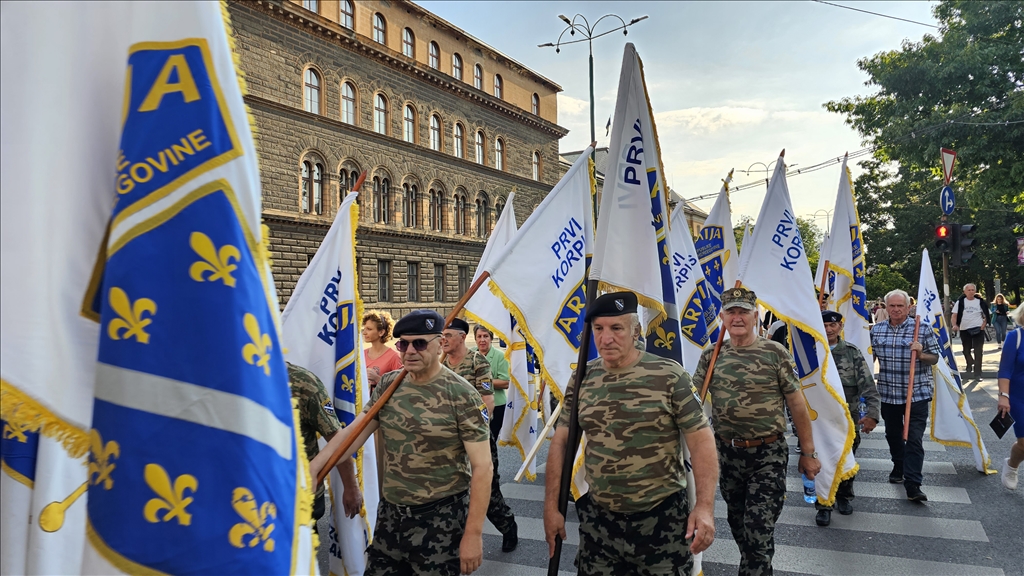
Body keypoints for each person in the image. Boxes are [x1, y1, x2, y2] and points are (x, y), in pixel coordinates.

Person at [543, 292, 719, 575]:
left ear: (636, 331)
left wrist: (705, 507)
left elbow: (700, 442)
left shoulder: (668, 375)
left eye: (616, 328)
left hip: (660, 521)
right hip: (600, 523)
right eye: (598, 329)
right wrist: (552, 507)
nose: (606, 338)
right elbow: (562, 442)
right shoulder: (582, 378)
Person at [310, 310, 493, 575]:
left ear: (440, 343)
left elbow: (483, 468)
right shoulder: (389, 385)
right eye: (402, 344)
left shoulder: (462, 394)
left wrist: (473, 534)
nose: (409, 351)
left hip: (440, 521)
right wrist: (314, 468)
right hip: (391, 517)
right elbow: (352, 433)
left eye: (419, 343)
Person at [692, 287, 821, 576]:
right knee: (740, 527)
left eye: (743, 312)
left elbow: (797, 405)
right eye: (731, 312)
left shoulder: (775, 353)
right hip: (726, 454)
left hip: (767, 455)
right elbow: (692, 402)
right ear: (723, 317)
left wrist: (808, 452)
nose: (737, 318)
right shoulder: (711, 356)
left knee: (757, 531)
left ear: (755, 316)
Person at [442, 318, 518, 552]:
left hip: (475, 438)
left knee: (487, 491)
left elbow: (488, 403)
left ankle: (508, 526)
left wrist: (469, 428)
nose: (443, 340)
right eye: (441, 335)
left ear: (462, 337)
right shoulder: (440, 362)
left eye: (448, 335)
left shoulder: (478, 362)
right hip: (447, 441)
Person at [870, 289, 941, 501]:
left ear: (908, 307)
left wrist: (920, 354)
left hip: (916, 394)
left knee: (914, 439)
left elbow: (935, 358)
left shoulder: (922, 329)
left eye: (900, 305)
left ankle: (913, 484)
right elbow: (867, 358)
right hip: (888, 393)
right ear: (885, 307)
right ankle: (898, 465)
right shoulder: (876, 331)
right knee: (893, 435)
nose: (896, 309)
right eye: (892, 305)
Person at [814, 311, 881, 527]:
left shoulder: (851, 353)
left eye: (833, 325)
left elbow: (868, 385)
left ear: (840, 327)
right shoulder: (811, 352)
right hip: (819, 420)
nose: (828, 329)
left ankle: (844, 496)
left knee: (846, 457)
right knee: (821, 461)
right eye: (823, 324)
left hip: (847, 419)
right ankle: (824, 504)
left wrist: (872, 414)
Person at [288, 362, 363, 525]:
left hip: (299, 497)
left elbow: (337, 440)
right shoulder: (228, 382)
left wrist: (350, 486)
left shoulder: (302, 382)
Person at [997, 304, 1024, 490]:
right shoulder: (1016, 337)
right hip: (1018, 396)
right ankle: (1012, 465)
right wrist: (1003, 396)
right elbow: (1005, 370)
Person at [472, 324, 510, 440]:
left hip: (496, 406)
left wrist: (482, 381)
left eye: (485, 336)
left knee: (489, 441)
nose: (482, 340)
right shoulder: (469, 354)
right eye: (479, 336)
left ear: (491, 338)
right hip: (473, 405)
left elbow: (505, 382)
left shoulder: (501, 356)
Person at [951, 283, 990, 377]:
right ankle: (969, 363)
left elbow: (987, 314)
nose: (971, 292)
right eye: (969, 290)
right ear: (964, 292)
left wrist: (983, 325)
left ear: (975, 291)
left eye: (973, 290)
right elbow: (954, 315)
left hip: (978, 328)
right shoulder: (960, 302)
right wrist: (955, 325)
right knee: (966, 350)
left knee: (978, 351)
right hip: (965, 329)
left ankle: (978, 373)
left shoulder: (980, 302)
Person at [362, 310, 403, 392]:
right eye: (364, 329)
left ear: (381, 332)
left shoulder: (394, 357)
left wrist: (377, 378)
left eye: (369, 329)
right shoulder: (362, 354)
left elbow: (402, 387)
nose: (364, 333)